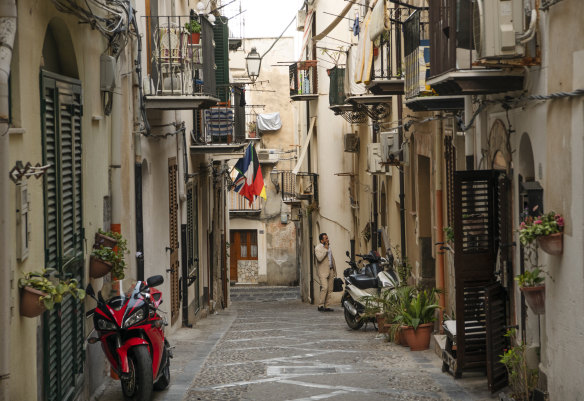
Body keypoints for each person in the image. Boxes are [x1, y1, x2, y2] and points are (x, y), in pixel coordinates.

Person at [314, 232, 336, 312]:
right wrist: (325, 250)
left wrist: (334, 270)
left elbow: (331, 259)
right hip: (322, 271)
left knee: (330, 289)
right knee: (324, 287)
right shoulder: (318, 248)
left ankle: (327, 306)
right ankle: (320, 305)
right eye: (326, 238)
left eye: (327, 238)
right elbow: (319, 259)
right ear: (321, 240)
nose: (328, 239)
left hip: (330, 270)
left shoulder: (329, 247)